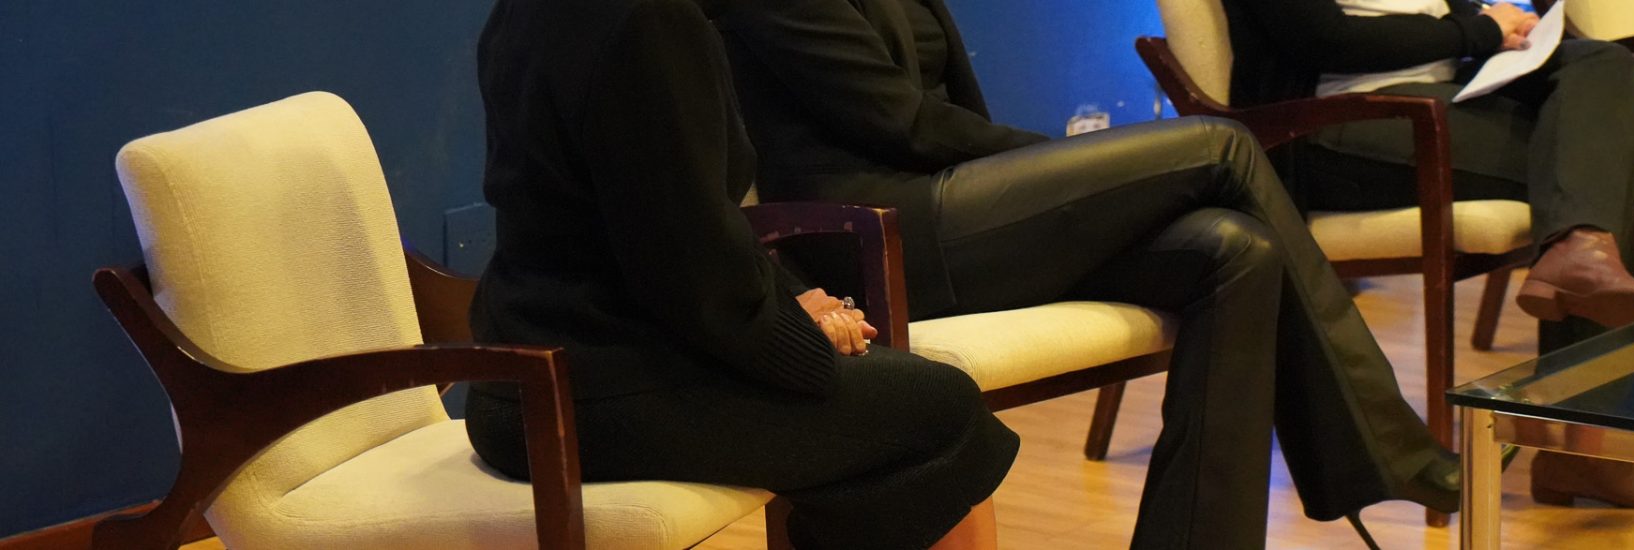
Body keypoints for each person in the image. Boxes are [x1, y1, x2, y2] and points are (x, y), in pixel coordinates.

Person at [715, 0, 1481, 546]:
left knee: (1236, 250)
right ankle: (1393, 452)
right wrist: (1058, 156)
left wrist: (1053, 163)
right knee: (1220, 146)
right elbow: (898, 122)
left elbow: (945, 110)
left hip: (953, 207)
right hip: (877, 229)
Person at [460, 0, 1017, 548]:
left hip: (523, 382)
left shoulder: (523, 12)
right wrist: (804, 345)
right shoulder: (648, 19)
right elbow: (688, 266)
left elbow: (670, 233)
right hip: (591, 392)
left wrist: (791, 305)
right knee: (941, 408)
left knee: (889, 430)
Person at [1216, 0, 1634, 507]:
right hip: (1336, 121)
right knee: (1595, 159)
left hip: (1450, 95)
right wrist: (1479, 31)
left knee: (1603, 64)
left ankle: (1580, 273)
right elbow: (1327, 39)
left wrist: (1509, 27)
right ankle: (1582, 450)